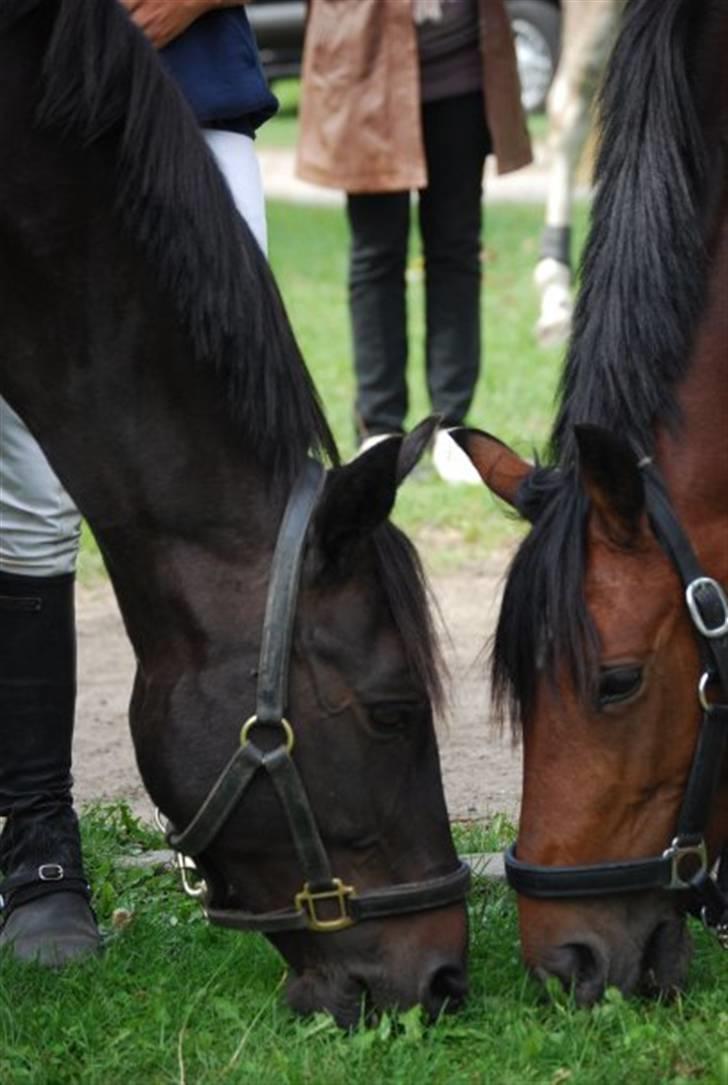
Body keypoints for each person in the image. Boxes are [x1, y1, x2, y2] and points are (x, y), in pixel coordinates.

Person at [0, 0, 276, 965]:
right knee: (29, 494)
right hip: (17, 96)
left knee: (240, 464)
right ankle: (35, 840)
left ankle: (252, 812)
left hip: (188, 84)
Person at [296, 0, 531, 483]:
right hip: (363, 69)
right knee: (376, 254)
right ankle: (380, 427)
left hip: (462, 68)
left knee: (456, 250)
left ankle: (452, 425)